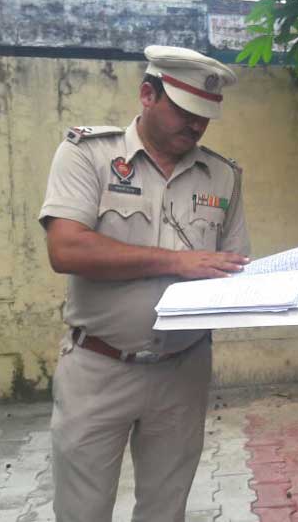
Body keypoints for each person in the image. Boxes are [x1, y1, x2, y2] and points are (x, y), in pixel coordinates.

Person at [39, 45, 250, 522]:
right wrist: (176, 262)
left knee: (165, 510)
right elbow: (66, 249)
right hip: (99, 367)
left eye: (205, 115)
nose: (196, 125)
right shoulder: (89, 154)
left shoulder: (223, 175)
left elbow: (231, 264)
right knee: (82, 511)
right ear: (148, 94)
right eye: (186, 111)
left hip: (183, 370)